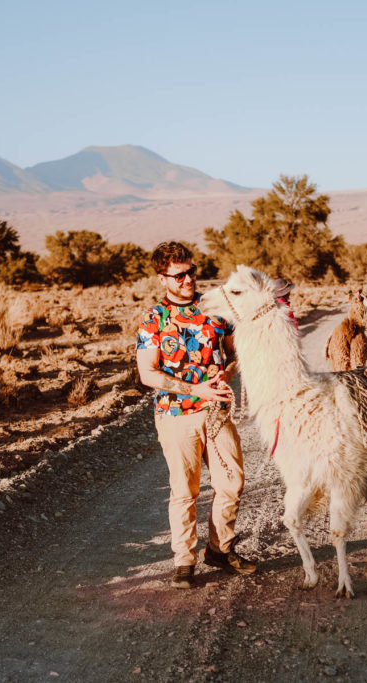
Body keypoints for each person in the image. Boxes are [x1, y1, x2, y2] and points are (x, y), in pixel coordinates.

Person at [135, 242, 257, 589]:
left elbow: (238, 354)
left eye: (192, 271)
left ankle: (219, 550)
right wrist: (196, 390)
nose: (188, 279)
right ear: (163, 279)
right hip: (176, 415)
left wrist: (227, 374)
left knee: (231, 484)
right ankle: (184, 561)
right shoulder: (154, 318)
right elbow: (148, 374)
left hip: (217, 412)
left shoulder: (216, 310)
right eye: (179, 275)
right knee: (184, 492)